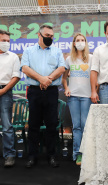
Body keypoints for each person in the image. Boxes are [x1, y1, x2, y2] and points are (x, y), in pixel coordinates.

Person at [21, 24, 66, 168]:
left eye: (52, 36)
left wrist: (49, 79)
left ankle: (51, 155)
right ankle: (32, 156)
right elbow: (25, 68)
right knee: (33, 124)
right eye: (47, 36)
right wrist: (41, 79)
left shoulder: (57, 51)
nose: (50, 38)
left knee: (51, 125)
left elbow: (61, 68)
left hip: (51, 91)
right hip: (34, 91)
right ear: (39, 35)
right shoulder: (28, 51)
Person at [62, 33, 92, 166]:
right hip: (73, 97)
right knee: (76, 127)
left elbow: (95, 77)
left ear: (85, 43)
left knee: (85, 125)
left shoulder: (91, 58)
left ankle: (87, 154)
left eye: (82, 40)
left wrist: (94, 91)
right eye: (77, 40)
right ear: (74, 43)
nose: (80, 42)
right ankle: (77, 154)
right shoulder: (69, 59)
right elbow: (63, 78)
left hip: (87, 97)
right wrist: (66, 88)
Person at [0, 29, 20, 167]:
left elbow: (16, 76)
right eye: (3, 40)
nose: (6, 43)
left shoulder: (13, 56)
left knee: (7, 125)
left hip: (5, 91)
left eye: (8, 41)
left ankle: (9, 155)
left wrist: (3, 91)